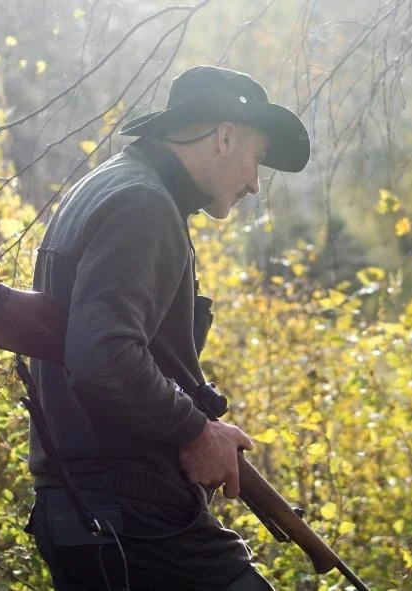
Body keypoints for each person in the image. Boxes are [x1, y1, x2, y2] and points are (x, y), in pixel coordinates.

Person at [25, 65, 310, 590]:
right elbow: (102, 358)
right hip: (133, 517)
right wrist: (196, 430)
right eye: (257, 159)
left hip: (90, 514)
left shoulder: (114, 184)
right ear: (225, 136)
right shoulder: (143, 203)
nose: (253, 183)